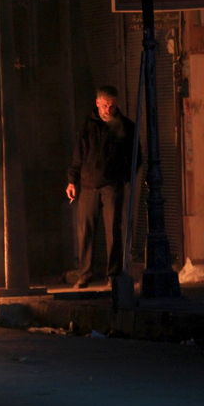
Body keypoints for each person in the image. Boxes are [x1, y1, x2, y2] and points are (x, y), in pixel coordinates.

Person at [66, 85, 141, 290]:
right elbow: (78, 156)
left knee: (114, 231)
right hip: (88, 186)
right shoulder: (88, 126)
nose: (109, 109)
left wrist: (123, 177)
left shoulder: (125, 127)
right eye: (105, 105)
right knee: (86, 231)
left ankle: (114, 275)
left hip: (112, 186)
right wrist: (72, 181)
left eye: (112, 105)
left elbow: (136, 157)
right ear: (97, 103)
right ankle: (85, 275)